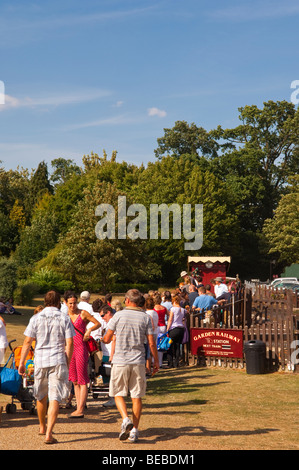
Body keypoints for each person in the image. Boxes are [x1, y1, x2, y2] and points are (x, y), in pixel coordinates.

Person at [101, 289, 159, 443]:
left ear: (127, 300)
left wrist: (102, 338)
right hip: (138, 361)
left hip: (120, 360)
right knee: (136, 396)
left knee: (118, 393)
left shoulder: (118, 316)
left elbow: (107, 338)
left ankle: (126, 419)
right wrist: (156, 361)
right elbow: (151, 343)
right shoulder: (145, 317)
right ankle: (134, 430)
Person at [18, 290, 75, 445]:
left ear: (44, 301)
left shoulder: (36, 318)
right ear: (59, 302)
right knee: (55, 396)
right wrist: (67, 362)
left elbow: (27, 342)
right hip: (57, 359)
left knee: (40, 395)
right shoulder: (65, 318)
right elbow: (69, 343)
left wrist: (22, 362)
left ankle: (42, 426)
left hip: (41, 360)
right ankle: (49, 432)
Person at [66, 292, 101, 418]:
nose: (73, 305)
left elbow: (98, 323)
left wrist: (89, 331)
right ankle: (78, 406)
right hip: (70, 350)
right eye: (70, 303)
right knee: (74, 381)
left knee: (82, 380)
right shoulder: (64, 315)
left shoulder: (83, 313)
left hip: (81, 348)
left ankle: (80, 409)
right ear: (66, 303)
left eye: (74, 302)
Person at [99, 304, 116, 408]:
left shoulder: (112, 323)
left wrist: (112, 355)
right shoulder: (109, 323)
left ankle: (113, 399)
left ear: (108, 313)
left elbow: (114, 339)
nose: (102, 318)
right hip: (107, 353)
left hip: (110, 354)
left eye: (103, 315)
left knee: (111, 378)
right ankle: (111, 398)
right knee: (107, 377)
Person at [166, 295, 186, 368]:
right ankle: (177, 363)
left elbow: (170, 319)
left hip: (174, 328)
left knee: (170, 346)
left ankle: (170, 363)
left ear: (174, 301)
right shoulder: (183, 309)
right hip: (181, 328)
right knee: (177, 346)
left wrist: (167, 329)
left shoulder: (173, 309)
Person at [153, 292, 168, 368]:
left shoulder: (153, 309)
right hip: (163, 326)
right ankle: (160, 362)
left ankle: (154, 362)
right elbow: (169, 315)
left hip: (156, 327)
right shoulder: (164, 308)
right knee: (161, 345)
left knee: (154, 345)